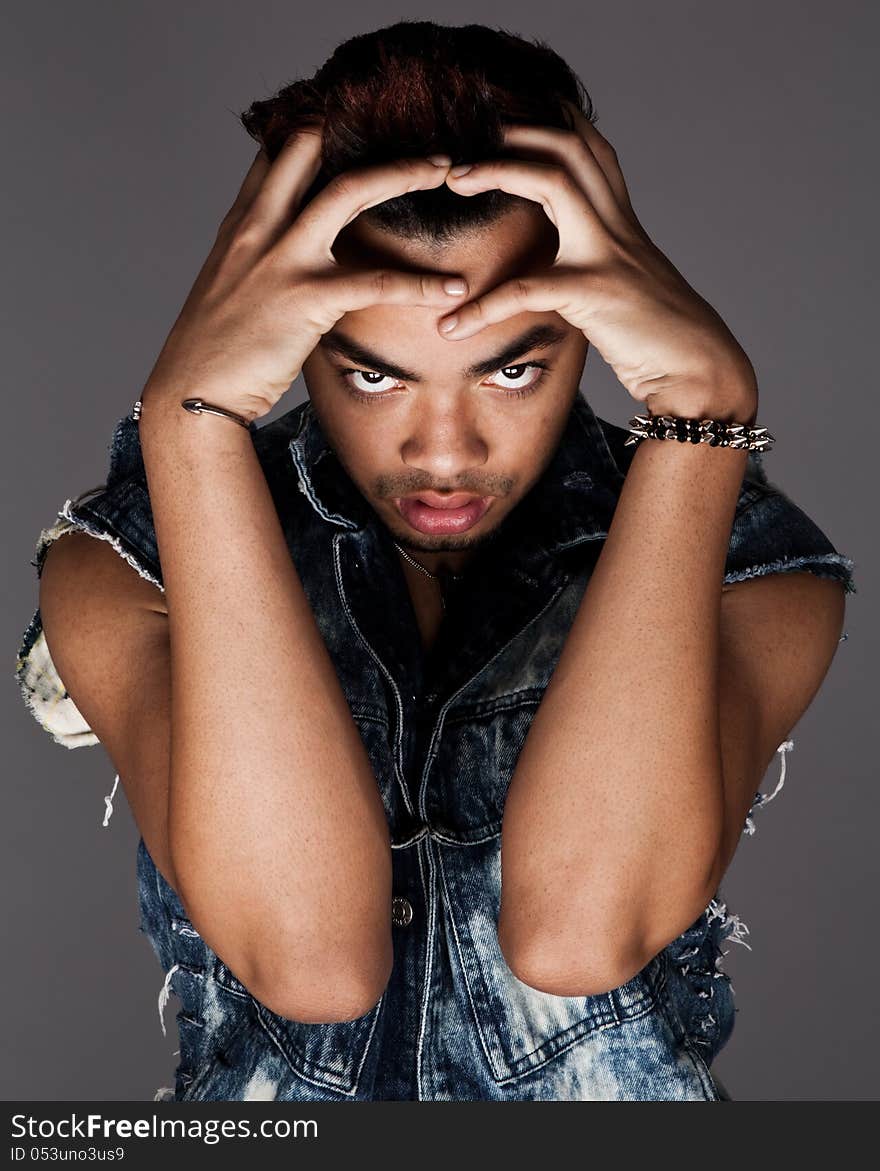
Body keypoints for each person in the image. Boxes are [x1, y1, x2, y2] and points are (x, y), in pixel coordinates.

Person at [15, 21, 856, 1102]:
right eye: (374, 378)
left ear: (596, 324)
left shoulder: (748, 571)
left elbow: (578, 933)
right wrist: (191, 424)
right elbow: (309, 962)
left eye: (510, 370)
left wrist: (701, 419)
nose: (444, 451)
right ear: (286, 339)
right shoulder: (132, 573)